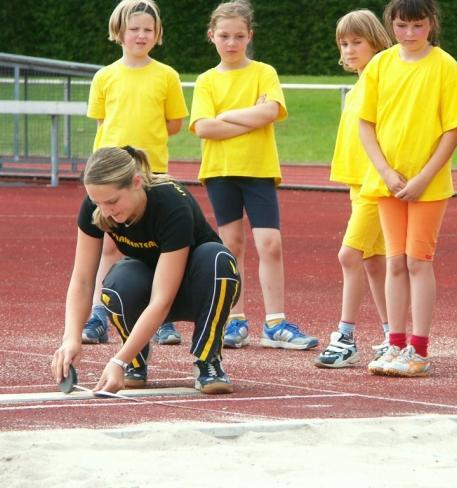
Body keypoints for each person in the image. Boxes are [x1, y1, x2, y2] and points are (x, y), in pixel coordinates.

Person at [51, 146, 241, 394]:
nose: (105, 211)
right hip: (151, 285)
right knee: (117, 282)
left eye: (112, 201)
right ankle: (135, 360)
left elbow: (162, 299)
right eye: (97, 202)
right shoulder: (96, 207)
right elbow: (83, 280)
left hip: (199, 289)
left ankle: (208, 360)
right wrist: (71, 338)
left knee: (217, 258)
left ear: (136, 183)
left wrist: (117, 360)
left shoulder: (172, 203)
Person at [189, 0, 318, 351]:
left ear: (250, 36)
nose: (231, 43)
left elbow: (272, 111)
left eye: (239, 36)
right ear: (212, 36)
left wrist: (227, 115)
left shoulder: (264, 72)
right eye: (224, 36)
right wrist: (249, 116)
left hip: (258, 171)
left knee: (270, 244)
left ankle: (275, 322)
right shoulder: (206, 81)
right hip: (221, 172)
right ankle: (235, 320)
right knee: (231, 245)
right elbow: (203, 127)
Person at [360, 0, 457, 377]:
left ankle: (418, 350)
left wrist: (423, 177)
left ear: (430, 24)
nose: (409, 34)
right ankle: (395, 343)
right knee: (394, 262)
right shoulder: (380, 65)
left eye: (417, 26)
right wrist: (386, 171)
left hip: (428, 186)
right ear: (391, 24)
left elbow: (453, 129)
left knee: (417, 262)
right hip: (387, 183)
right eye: (402, 26)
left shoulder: (445, 67)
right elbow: (365, 124)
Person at [83, 0, 189, 347]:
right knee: (110, 249)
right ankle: (99, 314)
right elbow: (102, 122)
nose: (141, 35)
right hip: (111, 176)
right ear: (119, 32)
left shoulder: (167, 75)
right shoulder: (105, 76)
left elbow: (174, 123)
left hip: (151, 173)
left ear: (157, 34)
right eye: (134, 28)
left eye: (148, 29)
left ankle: (163, 318)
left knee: (158, 248)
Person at [313, 10, 392, 369]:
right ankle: (393, 336)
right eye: (343, 43)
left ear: (376, 42)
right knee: (374, 262)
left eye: (357, 42)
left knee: (349, 255)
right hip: (357, 183)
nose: (349, 49)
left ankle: (345, 337)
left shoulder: (382, 82)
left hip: (374, 185)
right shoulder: (361, 84)